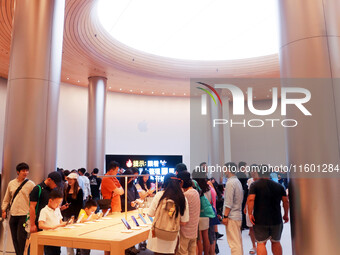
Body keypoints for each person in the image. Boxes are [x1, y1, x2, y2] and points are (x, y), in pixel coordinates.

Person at [247, 164, 289, 255]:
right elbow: (285, 202)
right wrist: (286, 214)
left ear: (258, 172)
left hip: (259, 220)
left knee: (261, 243)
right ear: (269, 173)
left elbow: (250, 199)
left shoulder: (254, 185)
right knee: (276, 242)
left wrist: (250, 213)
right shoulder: (279, 186)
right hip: (276, 219)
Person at [147, 173, 189, 255]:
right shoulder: (182, 198)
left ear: (164, 183)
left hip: (158, 235)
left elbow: (150, 214)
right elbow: (184, 222)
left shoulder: (159, 195)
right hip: (172, 236)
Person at [1, 162, 35, 255]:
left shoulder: (31, 184)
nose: (25, 172)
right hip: (13, 214)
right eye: (23, 170)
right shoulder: (11, 183)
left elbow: (34, 200)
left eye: (27, 171)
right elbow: (7, 198)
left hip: (24, 214)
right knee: (14, 237)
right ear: (18, 172)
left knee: (21, 237)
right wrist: (3, 210)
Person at [222, 162, 244, 255]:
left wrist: (225, 216)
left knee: (234, 244)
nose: (224, 171)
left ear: (229, 169)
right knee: (237, 242)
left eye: (224, 169)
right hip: (237, 214)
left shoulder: (230, 182)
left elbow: (228, 202)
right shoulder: (237, 181)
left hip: (232, 216)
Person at [177, 171, 200, 255]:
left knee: (182, 252)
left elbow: (180, 212)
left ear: (182, 182)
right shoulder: (195, 192)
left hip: (185, 231)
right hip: (193, 231)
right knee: (192, 252)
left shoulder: (186, 195)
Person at [38, 189, 66, 255]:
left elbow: (60, 222)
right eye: (57, 202)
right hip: (48, 239)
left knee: (57, 252)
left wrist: (66, 223)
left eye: (60, 203)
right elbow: (40, 225)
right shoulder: (44, 210)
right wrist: (52, 227)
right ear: (50, 201)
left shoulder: (57, 209)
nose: (58, 205)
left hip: (57, 237)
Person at [236, 161, 248, 230]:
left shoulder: (237, 174)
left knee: (241, 208)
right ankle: (243, 224)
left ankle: (242, 224)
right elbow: (244, 185)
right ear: (243, 167)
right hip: (243, 193)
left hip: (239, 193)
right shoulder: (242, 175)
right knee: (243, 207)